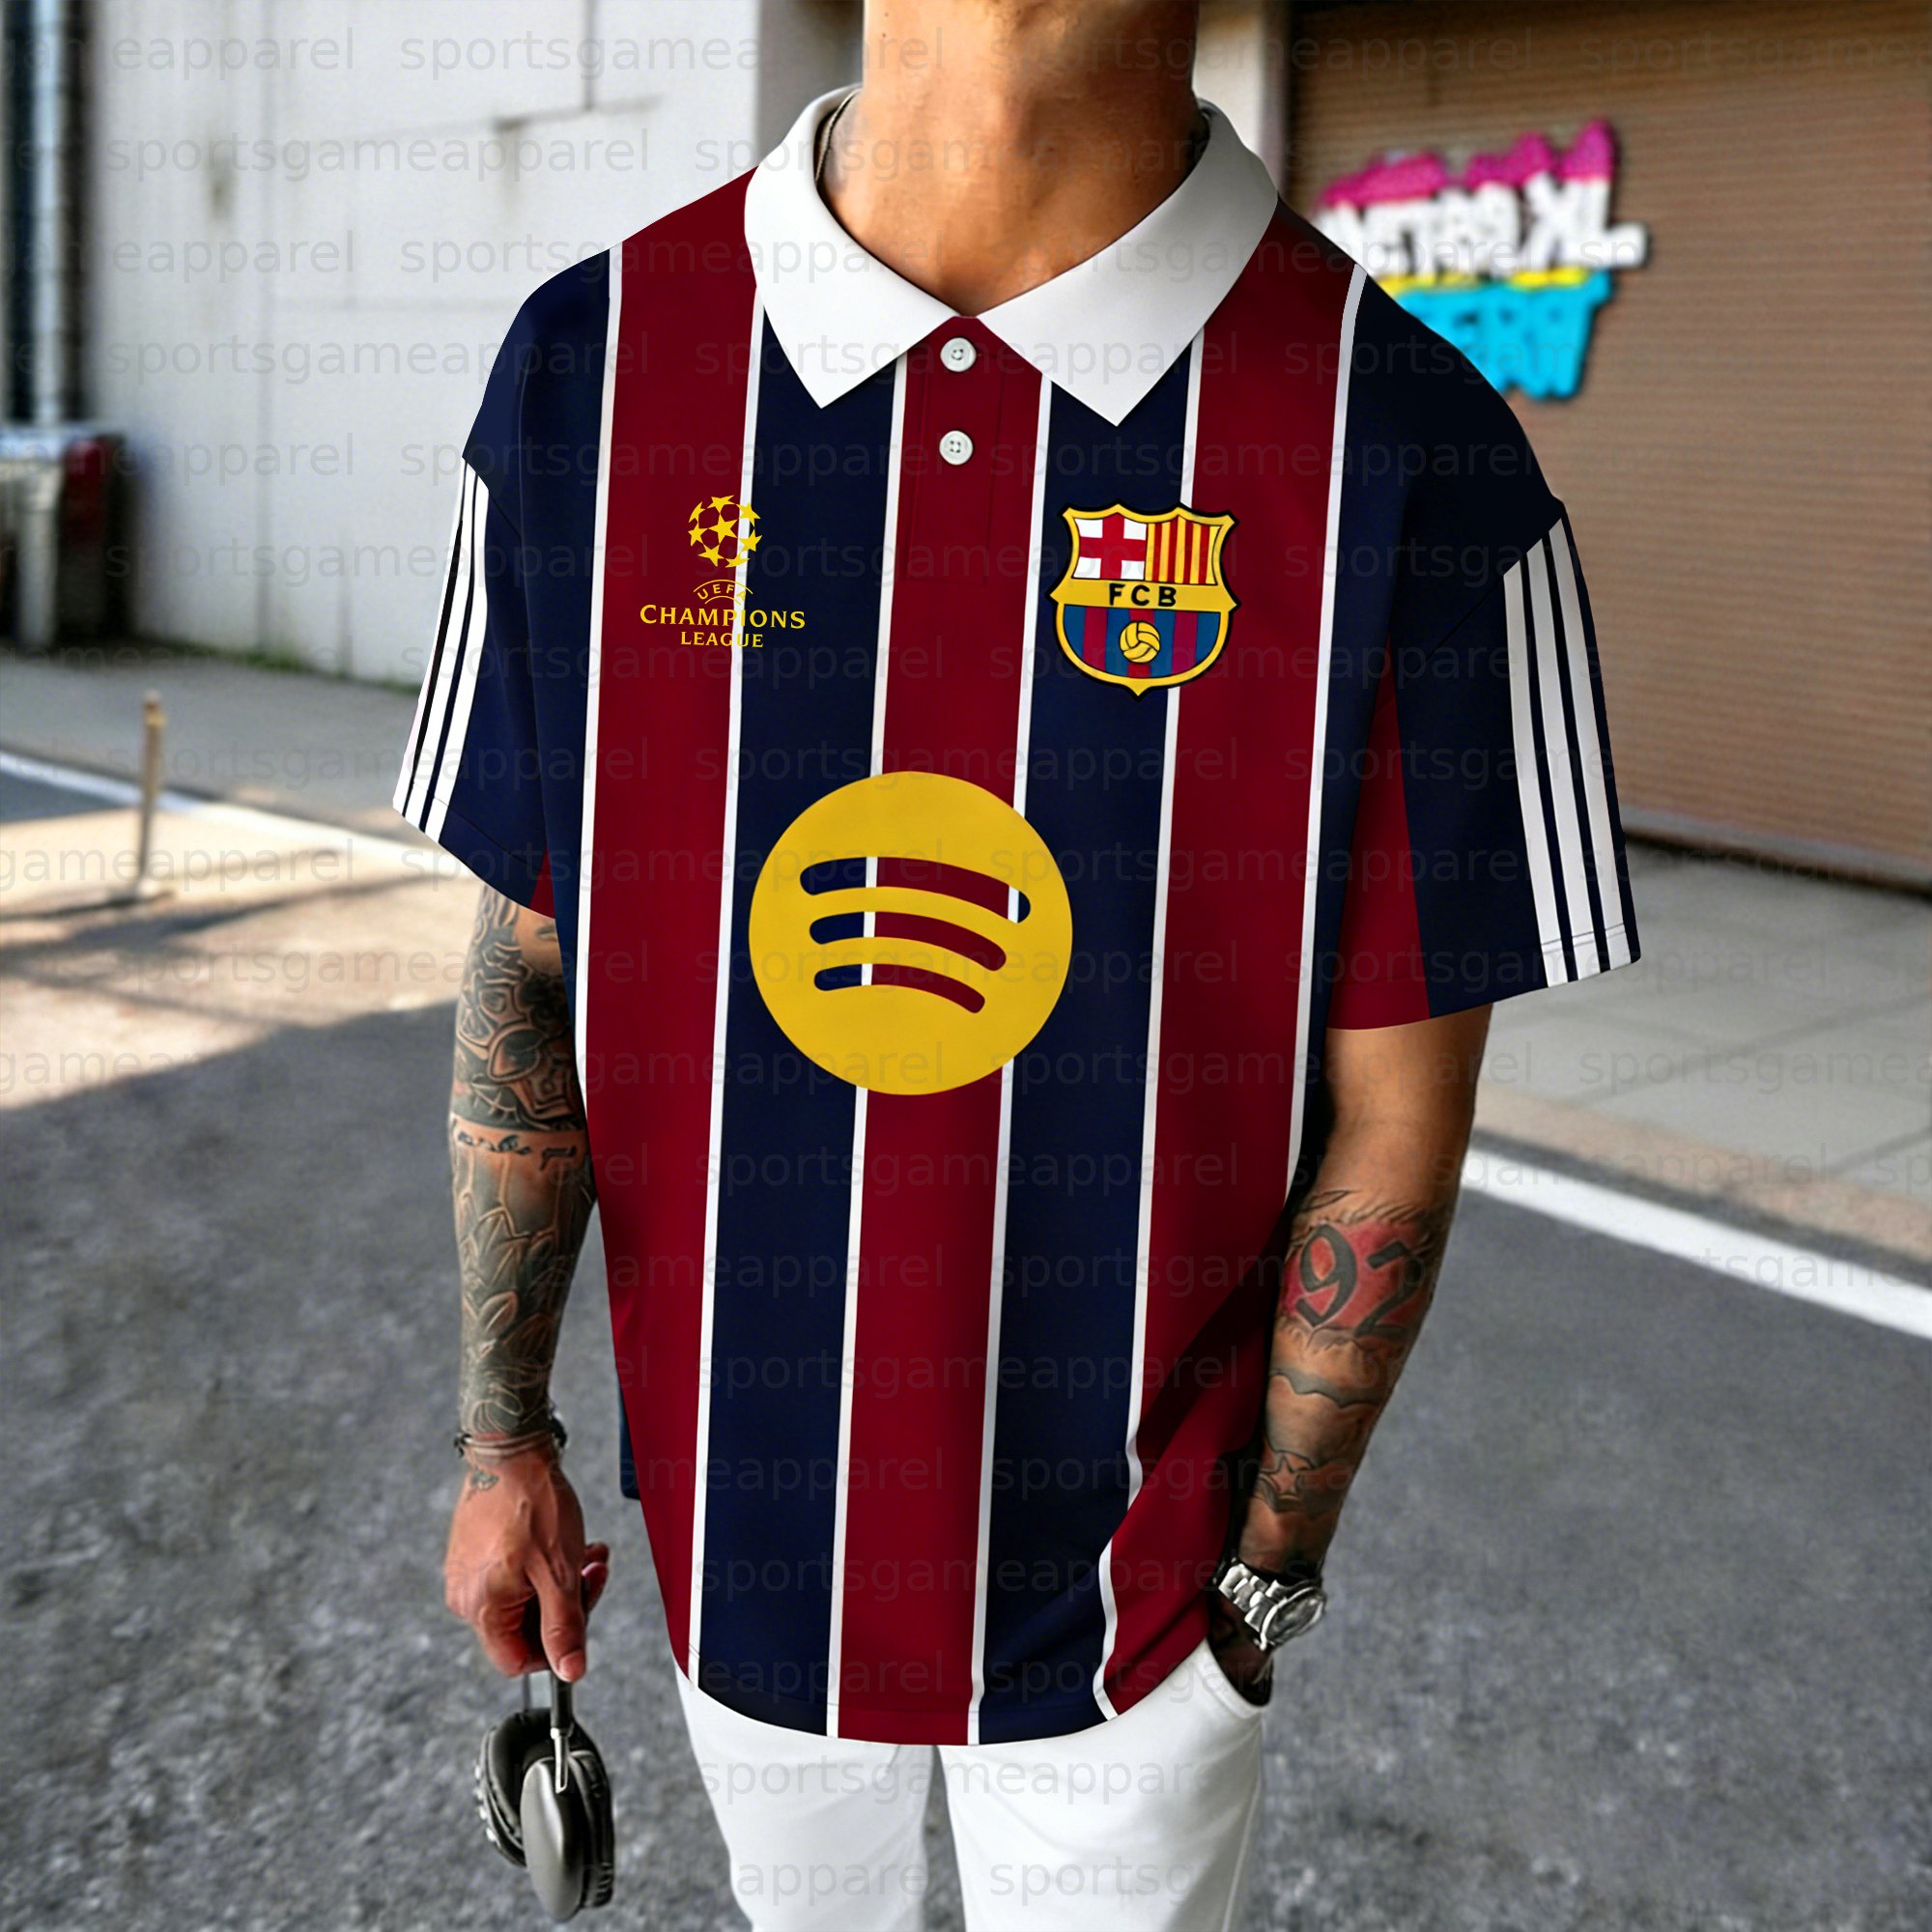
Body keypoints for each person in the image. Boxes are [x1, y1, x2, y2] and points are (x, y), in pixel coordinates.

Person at [394, 3, 1639, 1926]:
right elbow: (528, 979)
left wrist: (1255, 1593)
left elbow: (1396, 1109)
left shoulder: (1410, 451)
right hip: (734, 1563)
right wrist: (504, 1439)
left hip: (1139, 1634)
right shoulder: (593, 369)